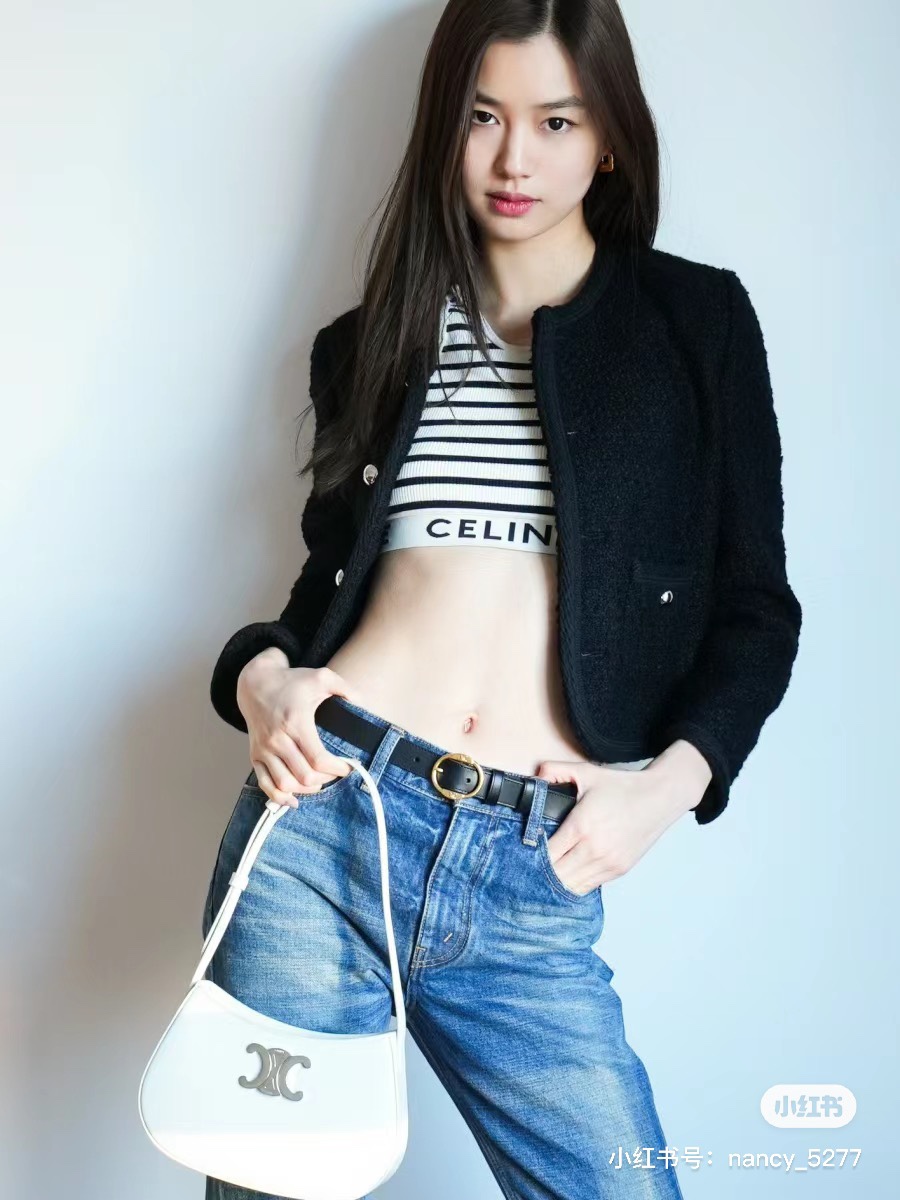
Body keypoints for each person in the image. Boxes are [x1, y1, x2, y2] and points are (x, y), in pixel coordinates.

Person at [202, 2, 803, 1197]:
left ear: (610, 139)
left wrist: (667, 790)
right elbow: (322, 597)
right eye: (482, 117)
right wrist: (261, 680)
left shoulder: (695, 326)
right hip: (325, 821)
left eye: (556, 121)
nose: (514, 158)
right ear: (446, 127)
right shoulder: (371, 345)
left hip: (535, 872)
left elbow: (758, 610)